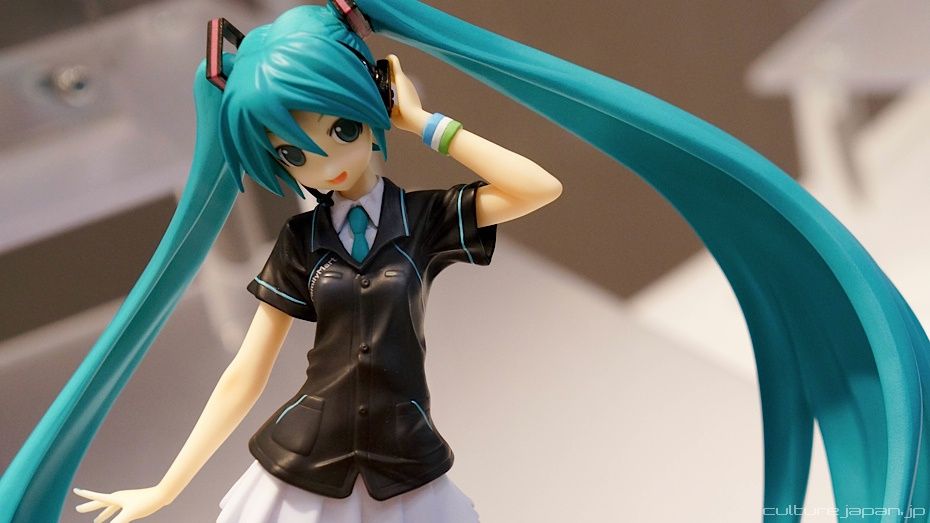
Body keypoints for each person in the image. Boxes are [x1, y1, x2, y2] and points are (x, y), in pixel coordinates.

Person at [2, 1, 928, 522]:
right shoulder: (301, 243)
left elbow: (535, 187)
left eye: (337, 129)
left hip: (408, 472)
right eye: (292, 152)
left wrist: (428, 125)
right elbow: (246, 371)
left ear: (370, 107)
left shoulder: (422, 219)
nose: (324, 161)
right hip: (298, 477)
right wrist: (168, 484)